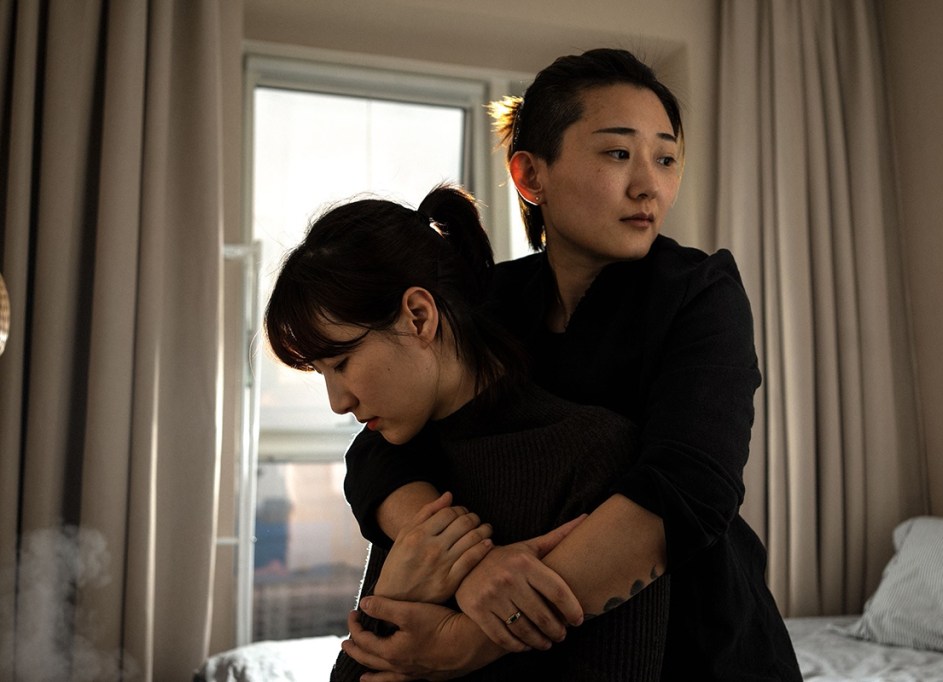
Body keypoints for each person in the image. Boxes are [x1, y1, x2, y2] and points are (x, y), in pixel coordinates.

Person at [339, 48, 802, 681]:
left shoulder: (699, 292)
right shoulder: (489, 302)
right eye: (618, 153)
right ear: (531, 175)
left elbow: (688, 489)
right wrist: (472, 565)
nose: (649, 185)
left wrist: (475, 636)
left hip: (701, 648)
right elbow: (380, 451)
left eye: (666, 159)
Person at [264, 185, 672, 680]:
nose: (338, 402)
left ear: (418, 317)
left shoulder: (591, 454)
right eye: (322, 373)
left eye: (342, 362)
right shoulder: (403, 471)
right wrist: (392, 594)